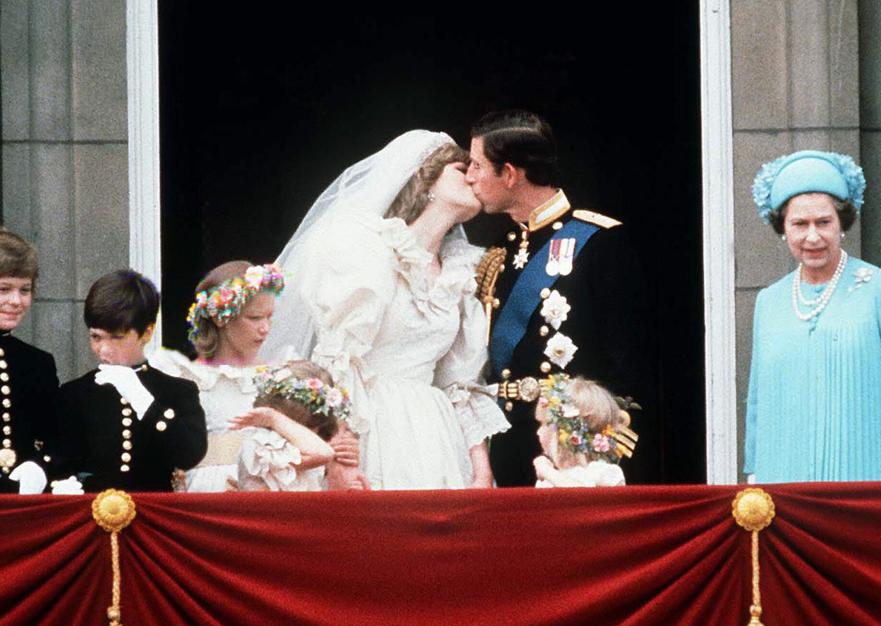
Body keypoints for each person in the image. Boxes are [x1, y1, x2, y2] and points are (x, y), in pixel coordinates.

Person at [262, 130, 509, 490]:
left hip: (435, 435)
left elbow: (460, 382)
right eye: (461, 168)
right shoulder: (367, 251)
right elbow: (340, 361)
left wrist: (481, 470)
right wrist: (340, 454)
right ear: (427, 180)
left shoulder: (461, 272)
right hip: (371, 426)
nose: (473, 178)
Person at [466, 110, 655, 486]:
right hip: (508, 445)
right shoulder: (498, 254)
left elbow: (629, 366)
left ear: (509, 174)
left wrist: (601, 452)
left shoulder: (598, 242)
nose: (469, 177)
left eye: (476, 165)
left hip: (574, 453)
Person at [745, 150, 881, 482]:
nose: (812, 236)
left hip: (867, 480)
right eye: (800, 224)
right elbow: (759, 405)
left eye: (824, 222)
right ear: (782, 228)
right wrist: (756, 481)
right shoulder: (769, 301)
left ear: (842, 223)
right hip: (784, 482)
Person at [149, 260, 295, 491]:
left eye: (269, 317)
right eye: (255, 318)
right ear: (220, 318)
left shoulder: (281, 374)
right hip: (206, 493)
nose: (265, 328)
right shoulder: (184, 375)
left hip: (266, 493)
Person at [57, 270, 207, 492]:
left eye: (117, 337)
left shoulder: (177, 391)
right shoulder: (75, 394)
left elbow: (190, 454)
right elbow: (62, 462)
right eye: (96, 337)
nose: (104, 350)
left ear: (147, 333)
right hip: (92, 515)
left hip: (153, 517)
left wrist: (145, 402)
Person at [0, 230, 68, 494]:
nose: (16, 301)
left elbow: (57, 439)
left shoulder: (38, 363)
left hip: (26, 506)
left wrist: (40, 467)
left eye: (25, 290)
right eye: (4, 289)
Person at [233, 361, 365, 491]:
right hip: (268, 512)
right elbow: (324, 454)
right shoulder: (262, 445)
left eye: (314, 427)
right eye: (302, 426)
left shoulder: (312, 446)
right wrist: (273, 418)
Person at [532, 374, 633, 488]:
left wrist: (546, 471)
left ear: (565, 431)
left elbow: (582, 496)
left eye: (543, 424)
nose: (538, 432)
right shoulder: (547, 479)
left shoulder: (605, 472)